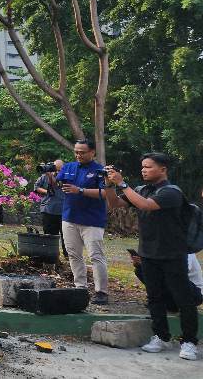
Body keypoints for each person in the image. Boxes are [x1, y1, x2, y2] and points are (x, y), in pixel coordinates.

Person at [106, 153, 198, 360]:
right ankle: (161, 336)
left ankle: (190, 342)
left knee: (183, 299)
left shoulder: (172, 192)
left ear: (162, 169)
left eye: (148, 167)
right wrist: (108, 185)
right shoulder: (141, 189)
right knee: (154, 297)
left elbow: (146, 205)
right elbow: (114, 204)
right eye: (142, 167)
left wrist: (122, 183)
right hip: (148, 253)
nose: (143, 170)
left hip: (173, 253)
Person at [58, 138, 110, 305]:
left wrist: (79, 190)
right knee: (73, 254)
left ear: (92, 152)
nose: (78, 155)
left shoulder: (100, 170)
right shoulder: (69, 167)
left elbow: (105, 193)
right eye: (76, 152)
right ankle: (80, 287)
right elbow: (58, 182)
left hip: (92, 220)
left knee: (96, 255)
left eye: (82, 152)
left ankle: (101, 291)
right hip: (69, 217)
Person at [33, 160, 67, 258]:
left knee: (66, 236)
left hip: (63, 211)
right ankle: (52, 256)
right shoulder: (45, 176)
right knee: (49, 236)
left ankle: (67, 256)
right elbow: (36, 187)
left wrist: (50, 175)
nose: (55, 170)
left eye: (58, 169)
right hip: (48, 210)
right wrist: (46, 191)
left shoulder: (65, 177)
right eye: (54, 168)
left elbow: (56, 184)